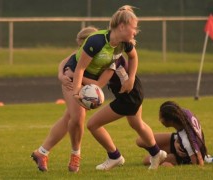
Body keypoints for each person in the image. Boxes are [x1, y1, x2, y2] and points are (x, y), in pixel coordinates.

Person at [73, 5, 167, 171]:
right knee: (137, 124)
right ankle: (156, 153)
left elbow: (132, 58)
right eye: (134, 27)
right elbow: (81, 68)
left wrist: (130, 78)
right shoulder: (103, 42)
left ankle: (114, 156)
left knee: (93, 125)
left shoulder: (122, 43)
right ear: (122, 26)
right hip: (132, 91)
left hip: (129, 93)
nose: (136, 31)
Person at [31, 26, 115, 172]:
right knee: (78, 117)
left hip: (86, 84)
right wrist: (62, 76)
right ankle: (75, 155)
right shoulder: (84, 52)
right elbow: (65, 61)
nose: (80, 49)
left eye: (82, 45)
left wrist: (76, 74)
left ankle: (42, 152)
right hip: (71, 83)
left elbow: (99, 84)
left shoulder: (109, 57)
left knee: (69, 118)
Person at [136, 101, 207, 166]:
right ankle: (162, 155)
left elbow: (198, 161)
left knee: (146, 161)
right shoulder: (182, 113)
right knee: (140, 140)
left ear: (171, 121)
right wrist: (177, 140)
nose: (159, 120)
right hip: (179, 141)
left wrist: (196, 164)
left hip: (183, 155)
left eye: (161, 118)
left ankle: (170, 161)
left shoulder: (187, 141)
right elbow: (185, 132)